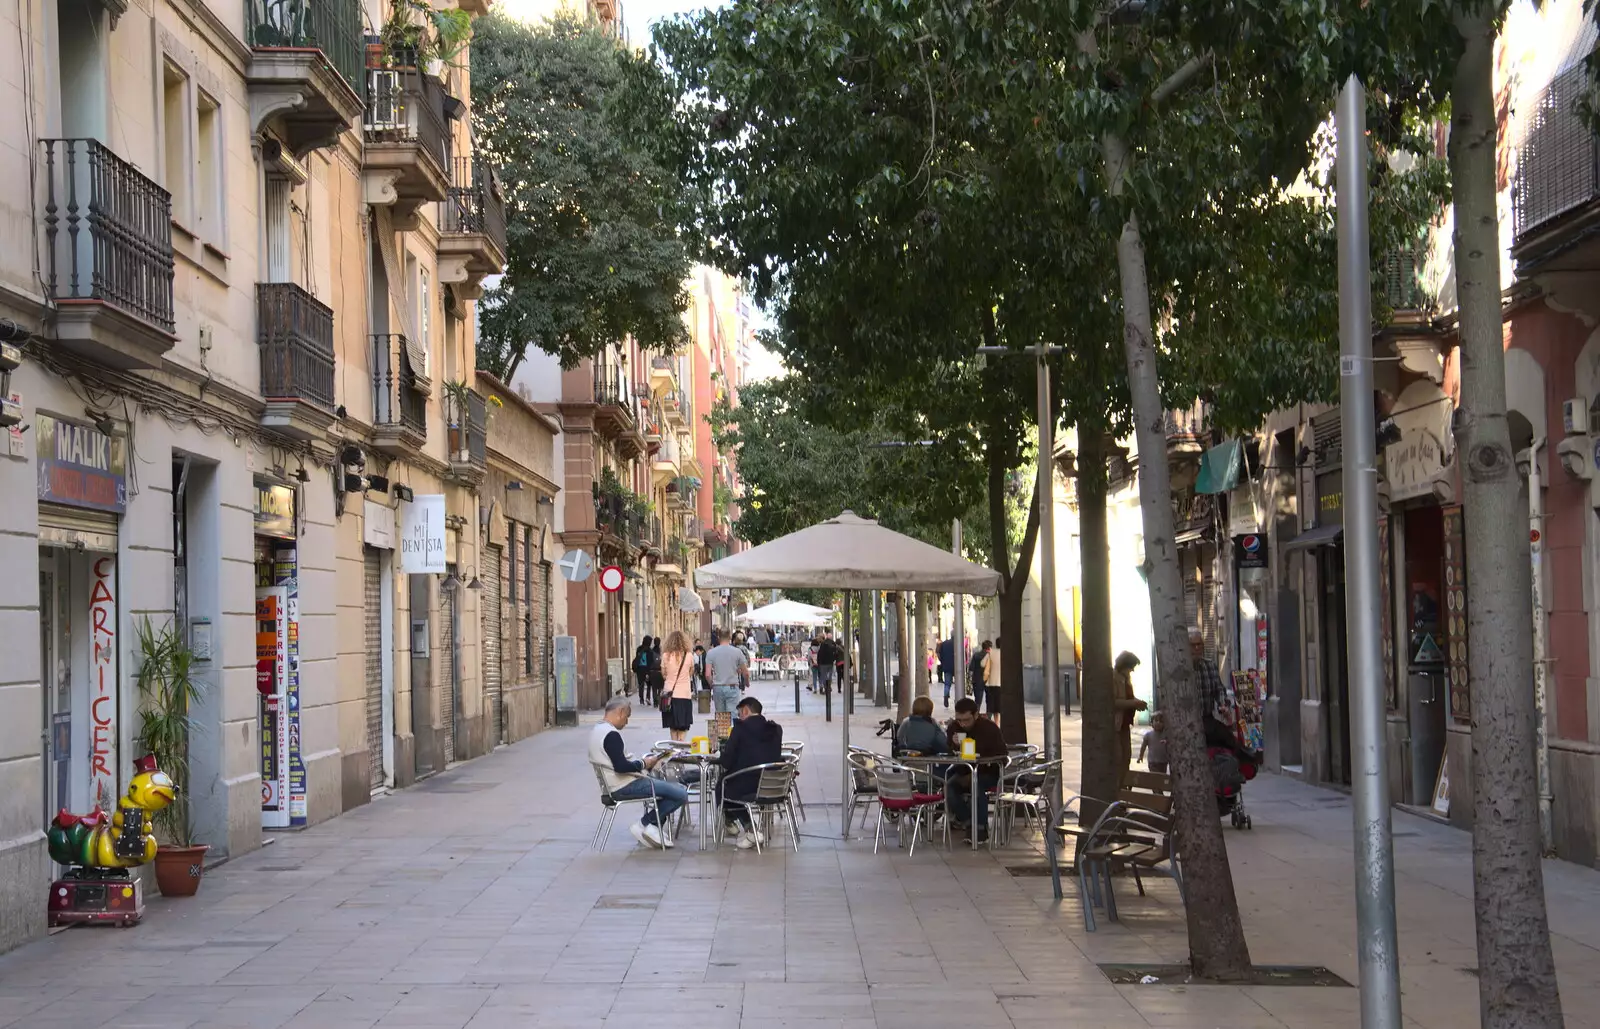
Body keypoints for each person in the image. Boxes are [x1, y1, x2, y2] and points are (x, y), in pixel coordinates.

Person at [589, 696, 687, 849]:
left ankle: (653, 826)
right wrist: (644, 763)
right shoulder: (611, 735)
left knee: (672, 790)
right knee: (681, 793)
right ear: (620, 712)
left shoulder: (597, 730)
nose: (626, 722)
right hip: (624, 785)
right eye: (627, 717)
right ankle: (646, 824)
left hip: (613, 785)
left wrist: (642, 763)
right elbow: (620, 767)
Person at [716, 696, 785, 848]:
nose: (739, 717)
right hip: (773, 785)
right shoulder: (776, 729)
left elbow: (727, 762)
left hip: (747, 785)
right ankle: (742, 826)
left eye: (740, 714)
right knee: (728, 784)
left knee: (723, 785)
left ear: (746, 710)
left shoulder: (740, 729)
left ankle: (748, 827)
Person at [944, 697, 1006, 843]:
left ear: (976, 715)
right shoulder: (955, 727)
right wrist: (953, 744)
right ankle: (969, 822)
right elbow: (948, 750)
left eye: (966, 720)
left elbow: (1002, 754)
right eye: (960, 720)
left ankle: (979, 828)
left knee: (976, 783)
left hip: (988, 771)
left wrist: (979, 755)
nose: (963, 724)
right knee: (949, 787)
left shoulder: (989, 728)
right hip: (963, 770)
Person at [1113, 650, 1149, 778]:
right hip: (1117, 724)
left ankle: (1124, 785)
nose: (1132, 670)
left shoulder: (1126, 678)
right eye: (1131, 667)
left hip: (1125, 723)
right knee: (1118, 757)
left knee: (1126, 756)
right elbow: (1114, 701)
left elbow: (1128, 697)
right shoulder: (1114, 678)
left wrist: (1137, 702)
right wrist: (1133, 704)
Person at [1189, 628, 1233, 722]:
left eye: (1199, 644)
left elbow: (1219, 690)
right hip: (1187, 723)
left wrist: (1223, 705)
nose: (1196, 648)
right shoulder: (1180, 670)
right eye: (1193, 645)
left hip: (1207, 719)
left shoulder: (1210, 666)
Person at [660, 630, 696, 741]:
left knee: (673, 726)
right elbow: (691, 672)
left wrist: (671, 678)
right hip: (684, 694)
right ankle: (680, 745)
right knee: (683, 727)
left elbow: (664, 674)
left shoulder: (666, 656)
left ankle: (674, 747)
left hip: (669, 695)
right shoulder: (689, 655)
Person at [706, 629, 750, 714]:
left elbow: (707, 674)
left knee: (721, 717)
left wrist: (712, 685)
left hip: (718, 687)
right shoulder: (737, 652)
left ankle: (723, 727)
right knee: (733, 715)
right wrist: (747, 683)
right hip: (732, 686)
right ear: (730, 637)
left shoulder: (711, 653)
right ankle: (732, 727)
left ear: (718, 638)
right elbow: (746, 672)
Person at [982, 635, 1004, 724]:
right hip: (1001, 683)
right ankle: (997, 723)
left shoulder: (991, 653)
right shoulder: (1006, 654)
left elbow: (983, 664)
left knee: (991, 705)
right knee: (998, 707)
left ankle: (990, 724)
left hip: (991, 683)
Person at [815, 630, 841, 695]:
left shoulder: (823, 645)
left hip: (823, 663)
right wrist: (833, 659)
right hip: (829, 663)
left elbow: (820, 655)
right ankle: (828, 686)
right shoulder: (831, 644)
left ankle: (827, 687)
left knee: (823, 676)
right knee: (829, 676)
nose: (818, 640)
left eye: (818, 638)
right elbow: (835, 652)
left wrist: (818, 663)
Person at [937, 635, 957, 707]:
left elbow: (939, 654)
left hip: (946, 666)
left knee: (947, 684)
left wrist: (943, 661)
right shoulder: (958, 643)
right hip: (956, 666)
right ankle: (957, 698)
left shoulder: (944, 643)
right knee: (958, 684)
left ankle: (946, 696)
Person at [646, 637, 665, 707]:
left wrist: (647, 673)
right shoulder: (662, 652)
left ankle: (655, 702)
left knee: (654, 687)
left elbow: (648, 663)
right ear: (659, 642)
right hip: (660, 671)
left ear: (654, 642)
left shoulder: (651, 651)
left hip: (652, 672)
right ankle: (658, 698)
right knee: (660, 687)